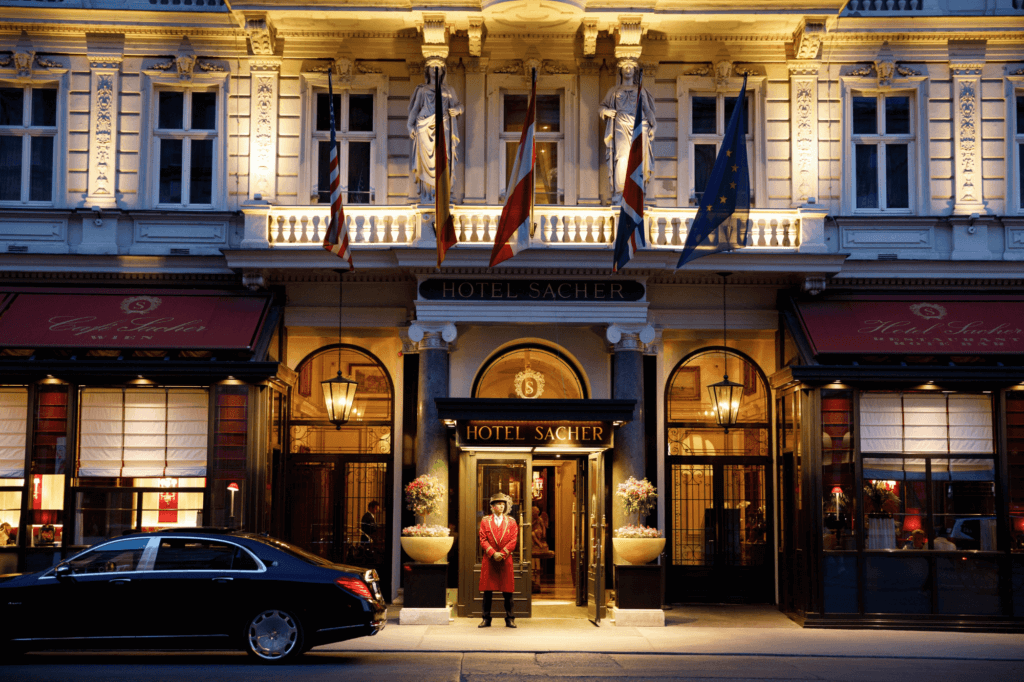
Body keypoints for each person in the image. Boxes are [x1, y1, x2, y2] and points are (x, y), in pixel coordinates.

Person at [599, 59, 656, 203]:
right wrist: (606, 111)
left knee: (638, 158)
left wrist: (653, 126)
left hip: (639, 125)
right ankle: (620, 191)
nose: (628, 69)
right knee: (622, 157)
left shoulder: (640, 89)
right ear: (621, 70)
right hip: (620, 123)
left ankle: (637, 190)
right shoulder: (614, 91)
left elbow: (647, 110)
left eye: (631, 67)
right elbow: (602, 107)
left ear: (634, 70)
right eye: (625, 67)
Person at [407, 63, 464, 203]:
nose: (435, 68)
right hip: (423, 127)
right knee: (424, 163)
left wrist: (457, 110)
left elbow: (459, 105)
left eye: (438, 66)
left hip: (443, 125)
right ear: (427, 70)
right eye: (432, 66)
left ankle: (442, 193)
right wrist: (410, 125)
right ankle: (427, 196)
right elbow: (415, 109)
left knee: (444, 156)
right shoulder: (422, 90)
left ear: (443, 70)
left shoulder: (449, 90)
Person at [478, 492, 518, 628]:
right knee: (487, 592)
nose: (501, 506)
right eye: (498, 504)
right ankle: (486, 618)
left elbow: (513, 540)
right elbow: (482, 539)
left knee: (508, 592)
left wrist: (502, 553)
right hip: (490, 560)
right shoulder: (485, 521)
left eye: (503, 504)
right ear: (492, 506)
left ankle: (510, 618)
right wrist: (492, 553)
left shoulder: (511, 522)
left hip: (505, 560)